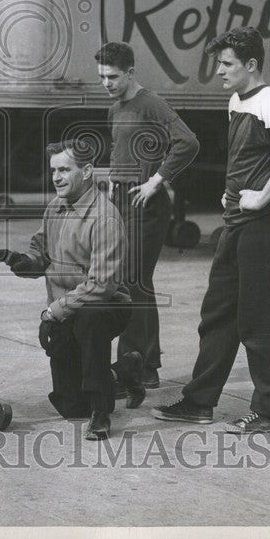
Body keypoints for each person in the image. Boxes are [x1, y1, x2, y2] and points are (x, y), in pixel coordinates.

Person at [152, 26, 270, 433]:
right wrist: (231, 193)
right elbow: (245, 157)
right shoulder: (238, 101)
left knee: (260, 320)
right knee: (217, 314)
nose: (218, 71)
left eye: (226, 64)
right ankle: (199, 402)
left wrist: (260, 197)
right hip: (238, 222)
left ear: (250, 65)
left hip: (266, 225)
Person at [0, 139, 144, 441]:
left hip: (106, 305)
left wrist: (53, 311)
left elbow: (102, 284)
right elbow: (42, 252)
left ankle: (102, 411)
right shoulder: (55, 208)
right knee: (70, 406)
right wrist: (22, 262)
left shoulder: (105, 216)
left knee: (91, 318)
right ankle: (124, 372)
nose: (56, 177)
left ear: (87, 171)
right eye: (53, 170)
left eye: (65, 169)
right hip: (67, 308)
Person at [94, 42, 200, 394]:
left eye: (112, 76)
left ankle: (137, 366)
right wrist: (111, 180)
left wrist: (157, 180)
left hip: (145, 202)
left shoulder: (151, 103)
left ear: (130, 72)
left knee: (133, 282)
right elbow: (117, 147)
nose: (106, 83)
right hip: (121, 199)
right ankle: (143, 364)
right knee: (130, 282)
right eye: (102, 77)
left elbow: (187, 142)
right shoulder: (115, 108)